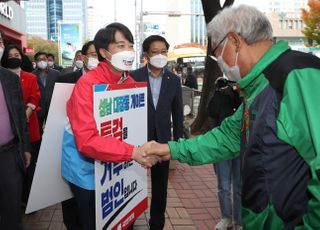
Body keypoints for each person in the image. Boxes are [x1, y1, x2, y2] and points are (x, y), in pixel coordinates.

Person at [144, 4, 320, 229]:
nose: (220, 62)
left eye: (217, 52)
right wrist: (169, 149)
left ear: (235, 41)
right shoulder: (259, 85)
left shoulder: (297, 76)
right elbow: (227, 137)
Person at [61, 23, 157, 230]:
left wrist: (140, 151)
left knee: (122, 219)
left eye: (131, 46)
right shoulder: (87, 84)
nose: (128, 52)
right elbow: (86, 141)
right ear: (104, 52)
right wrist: (133, 152)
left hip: (120, 167)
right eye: (121, 46)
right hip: (86, 171)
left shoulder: (130, 82)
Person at [130, 35, 183, 230]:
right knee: (133, 184)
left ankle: (157, 224)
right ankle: (130, 221)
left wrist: (178, 145)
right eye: (155, 51)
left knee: (160, 188)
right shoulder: (134, 76)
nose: (160, 55)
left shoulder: (174, 80)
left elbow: (178, 114)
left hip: (162, 142)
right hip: (136, 142)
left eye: (163, 51)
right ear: (146, 54)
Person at [56, 40, 98, 230]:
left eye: (100, 55)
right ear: (83, 56)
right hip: (72, 151)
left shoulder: (111, 82)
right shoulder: (66, 79)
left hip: (99, 154)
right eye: (93, 54)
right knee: (73, 207)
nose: (96, 59)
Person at [1, 44, 41, 205]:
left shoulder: (30, 77)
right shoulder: (4, 77)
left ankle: (29, 198)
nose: (14, 57)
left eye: (17, 54)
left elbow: (35, 98)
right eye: (10, 55)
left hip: (29, 127)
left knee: (29, 166)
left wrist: (25, 114)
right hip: (9, 136)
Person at [0, 30, 31, 230]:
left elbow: (20, 116)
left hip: (8, 153)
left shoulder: (9, 79)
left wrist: (26, 148)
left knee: (12, 209)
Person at [207, 76, 242, 230]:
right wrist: (219, 91)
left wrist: (239, 91)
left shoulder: (245, 95)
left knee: (239, 186)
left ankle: (239, 221)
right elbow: (212, 111)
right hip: (222, 145)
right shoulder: (220, 94)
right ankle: (226, 218)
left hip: (241, 144)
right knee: (224, 185)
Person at [32, 51, 60, 134]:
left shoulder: (56, 73)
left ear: (47, 60)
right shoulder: (32, 75)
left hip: (53, 108)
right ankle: (38, 146)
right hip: (38, 108)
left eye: (44, 59)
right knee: (38, 131)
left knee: (52, 131)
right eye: (39, 59)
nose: (41, 61)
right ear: (36, 62)